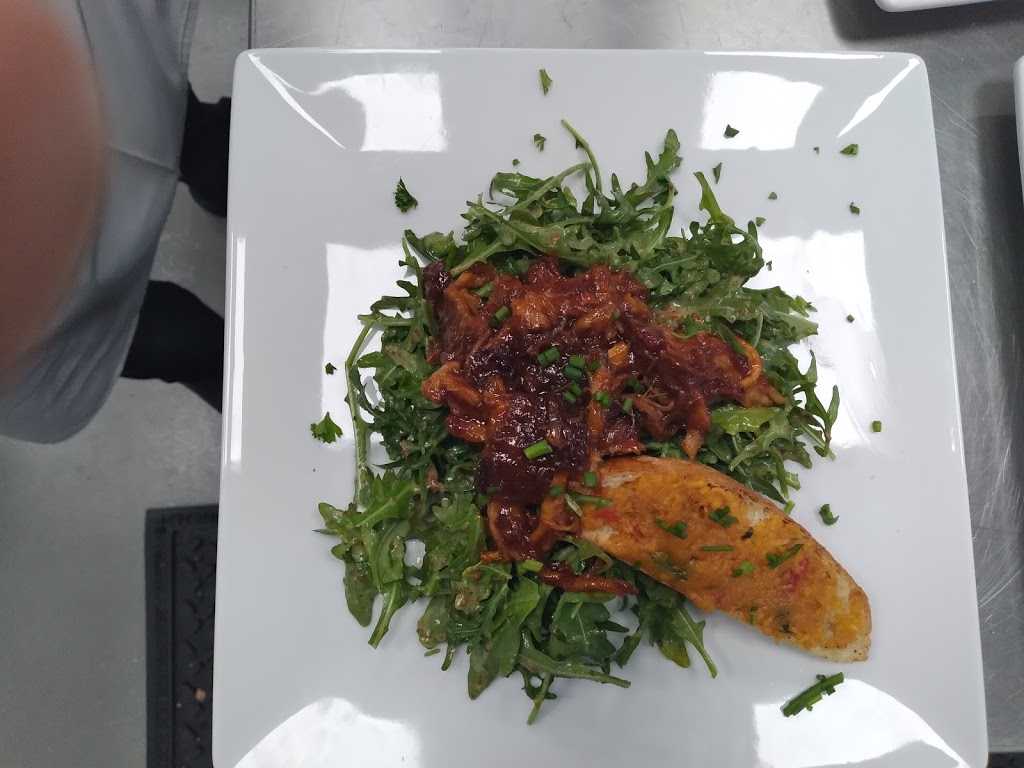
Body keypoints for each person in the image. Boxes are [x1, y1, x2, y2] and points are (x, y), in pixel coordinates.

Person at [0, 0, 228, 444]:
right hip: (47, 321)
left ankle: (217, 176)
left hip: (82, 75)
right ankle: (284, 412)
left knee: (167, 121)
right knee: (183, 340)